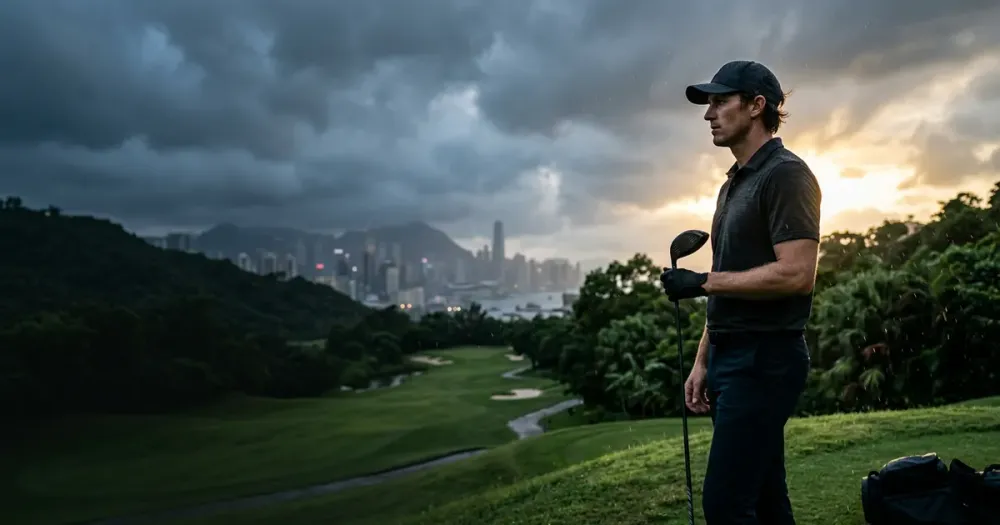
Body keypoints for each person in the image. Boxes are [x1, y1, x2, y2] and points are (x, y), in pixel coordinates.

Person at [659, 60, 823, 525]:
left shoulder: (787, 175)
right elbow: (728, 275)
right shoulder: (733, 184)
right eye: (707, 103)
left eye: (719, 101)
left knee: (726, 504)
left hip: (766, 360)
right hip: (733, 358)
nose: (709, 113)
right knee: (768, 501)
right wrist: (703, 359)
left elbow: (796, 274)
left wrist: (701, 283)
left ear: (756, 106)